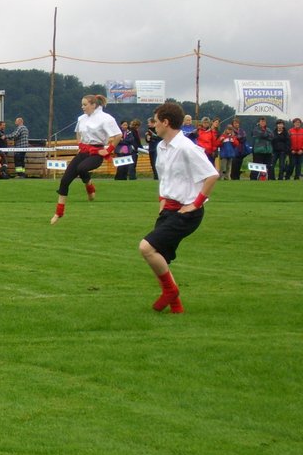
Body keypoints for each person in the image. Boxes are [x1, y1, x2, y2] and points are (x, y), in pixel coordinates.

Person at [139, 101, 218, 314]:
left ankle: (170, 291)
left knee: (146, 248)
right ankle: (176, 307)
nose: (153, 125)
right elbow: (165, 178)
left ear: (166, 122)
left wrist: (196, 204)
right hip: (169, 209)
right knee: (159, 257)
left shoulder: (187, 147)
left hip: (186, 213)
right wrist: (162, 201)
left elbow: (212, 175)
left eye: (156, 121)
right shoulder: (161, 147)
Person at [50, 93, 122, 224]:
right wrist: (80, 144)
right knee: (65, 180)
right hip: (84, 151)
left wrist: (108, 150)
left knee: (82, 168)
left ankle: (89, 187)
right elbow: (78, 133)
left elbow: (118, 135)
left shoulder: (106, 118)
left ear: (93, 105)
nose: (82, 107)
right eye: (82, 105)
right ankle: (58, 213)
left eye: (85, 105)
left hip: (97, 153)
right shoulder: (81, 118)